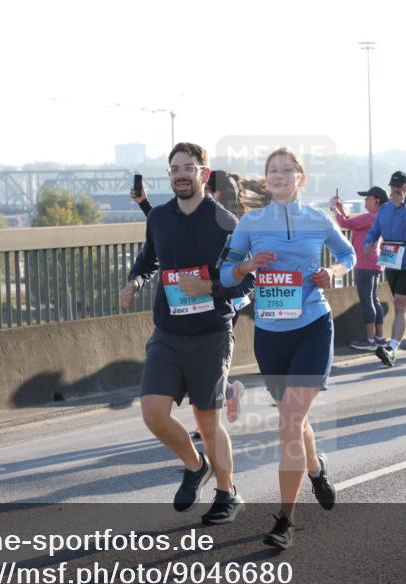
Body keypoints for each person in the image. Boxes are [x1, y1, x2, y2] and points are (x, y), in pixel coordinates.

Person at [220, 147, 355, 550]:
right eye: (272, 171)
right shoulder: (250, 222)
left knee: (288, 424)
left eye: (286, 170)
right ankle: (315, 467)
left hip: (313, 326)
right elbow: (226, 273)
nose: (279, 176)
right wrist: (246, 266)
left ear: (301, 177)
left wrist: (331, 271)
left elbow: (348, 254)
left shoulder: (318, 218)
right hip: (271, 334)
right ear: (267, 179)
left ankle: (285, 520)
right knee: (293, 421)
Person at [122, 143, 255, 524]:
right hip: (167, 331)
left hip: (210, 333)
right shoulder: (160, 217)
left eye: (189, 167)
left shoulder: (226, 223)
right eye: (175, 168)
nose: (181, 173)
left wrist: (211, 287)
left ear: (204, 174)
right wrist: (135, 280)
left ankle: (227, 492)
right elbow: (150, 258)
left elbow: (246, 284)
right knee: (154, 414)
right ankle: (196, 466)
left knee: (207, 419)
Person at [130, 171, 248, 426]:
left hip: (224, 299)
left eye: (212, 191)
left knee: (210, 360)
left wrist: (212, 287)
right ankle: (228, 392)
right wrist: (144, 205)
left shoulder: (226, 219)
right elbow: (172, 229)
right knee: (205, 369)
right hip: (186, 301)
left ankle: (208, 415)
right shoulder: (185, 209)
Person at [364, 171, 406, 366]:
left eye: (399, 186)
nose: (395, 190)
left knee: (400, 302)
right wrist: (368, 243)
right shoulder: (384, 209)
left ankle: (392, 349)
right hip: (392, 258)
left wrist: (401, 206)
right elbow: (374, 230)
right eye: (393, 186)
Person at [331, 186, 388, 350]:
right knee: (374, 299)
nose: (365, 200)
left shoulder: (370, 217)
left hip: (364, 262)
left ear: (376, 200)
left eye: (367, 198)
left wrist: (333, 208)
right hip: (376, 262)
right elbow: (353, 224)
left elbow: (345, 223)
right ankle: (379, 337)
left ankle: (370, 340)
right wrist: (340, 208)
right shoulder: (379, 216)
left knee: (366, 301)